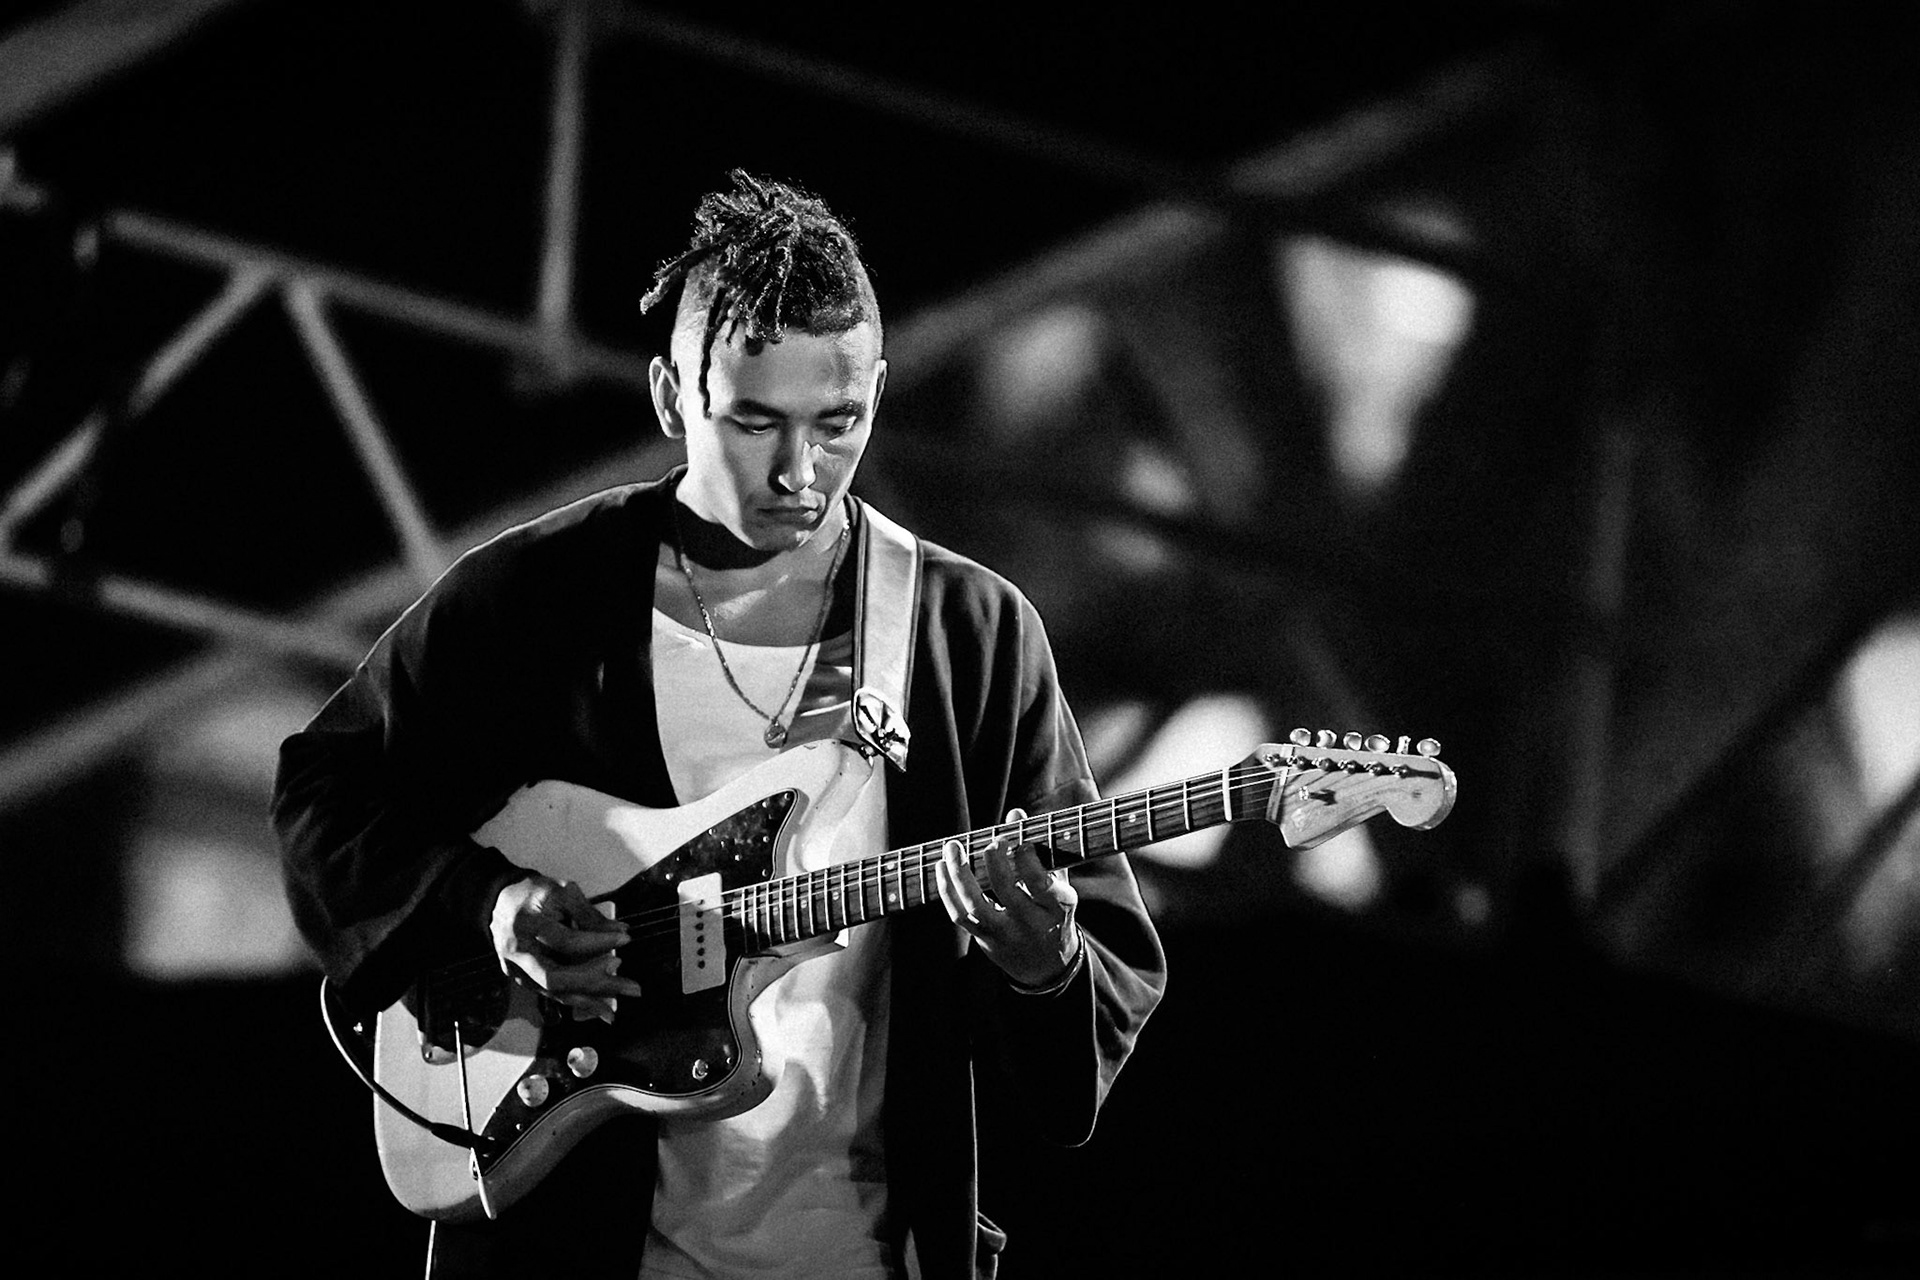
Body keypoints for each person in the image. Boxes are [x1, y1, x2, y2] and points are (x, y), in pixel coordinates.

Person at [273, 169, 1165, 1279]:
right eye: (754, 421)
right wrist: (490, 901)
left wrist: (1047, 965)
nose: (801, 471)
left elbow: (1096, 999)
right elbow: (325, 791)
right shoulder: (534, 601)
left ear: (880, 389)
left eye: (839, 422)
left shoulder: (969, 633)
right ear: (668, 395)